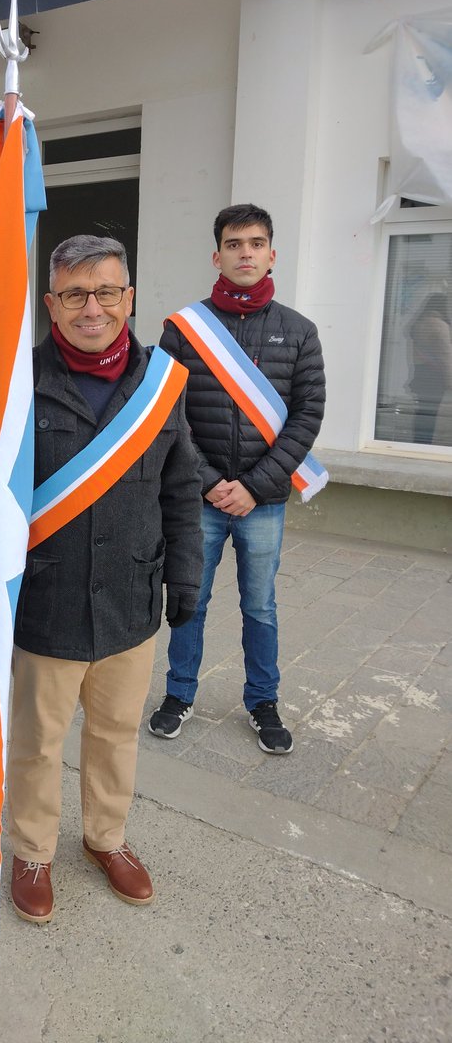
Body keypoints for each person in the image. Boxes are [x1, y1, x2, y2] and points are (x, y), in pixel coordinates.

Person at [7, 234, 202, 924]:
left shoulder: (164, 383)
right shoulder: (15, 384)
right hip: (46, 597)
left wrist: (186, 579)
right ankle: (31, 849)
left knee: (117, 732)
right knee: (36, 741)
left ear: (130, 297)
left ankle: (105, 839)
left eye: (107, 291)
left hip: (130, 596)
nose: (93, 308)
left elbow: (181, 490)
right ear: (52, 304)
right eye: (76, 294)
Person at [149, 204, 326, 755]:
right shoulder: (183, 330)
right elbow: (167, 414)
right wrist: (205, 481)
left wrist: (254, 485)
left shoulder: (299, 332)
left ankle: (263, 701)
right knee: (190, 600)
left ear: (272, 253)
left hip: (264, 502)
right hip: (198, 498)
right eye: (234, 243)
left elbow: (308, 413)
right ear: (217, 255)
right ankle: (179, 694)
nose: (245, 252)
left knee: (260, 605)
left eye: (255, 243)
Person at [408, 291, 452, 445]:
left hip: (421, 372)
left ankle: (419, 441)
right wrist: (449, 380)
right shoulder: (440, 326)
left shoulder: (419, 323)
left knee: (423, 411)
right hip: (435, 375)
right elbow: (446, 356)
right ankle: (425, 444)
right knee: (431, 413)